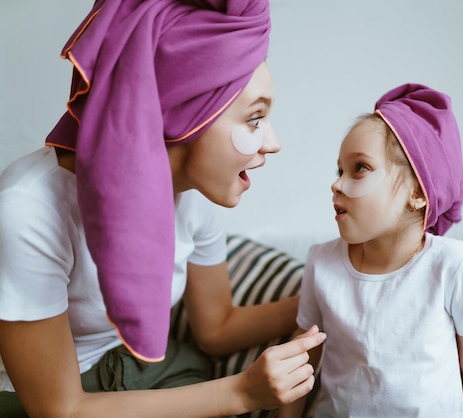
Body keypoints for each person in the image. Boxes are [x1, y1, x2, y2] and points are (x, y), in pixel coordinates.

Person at [0, 0, 326, 417]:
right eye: (255, 119)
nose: (273, 141)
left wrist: (321, 298)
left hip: (146, 369)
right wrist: (242, 393)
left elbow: (215, 327)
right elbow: (58, 408)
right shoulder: (28, 209)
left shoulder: (196, 189)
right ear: (186, 116)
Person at [278, 84, 463, 417]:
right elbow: (302, 359)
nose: (337, 184)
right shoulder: (321, 262)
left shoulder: (453, 265)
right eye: (340, 170)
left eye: (360, 168)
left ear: (417, 193)